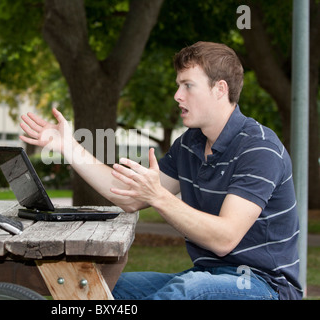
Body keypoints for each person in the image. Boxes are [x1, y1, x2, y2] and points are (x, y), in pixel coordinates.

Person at [19, 41, 302, 300]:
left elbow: (224, 238)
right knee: (95, 286)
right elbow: (129, 197)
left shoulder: (259, 148)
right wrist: (69, 146)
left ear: (220, 89)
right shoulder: (190, 144)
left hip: (263, 286)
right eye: (178, 85)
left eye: (188, 85)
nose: (177, 95)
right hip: (207, 277)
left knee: (187, 291)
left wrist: (159, 197)